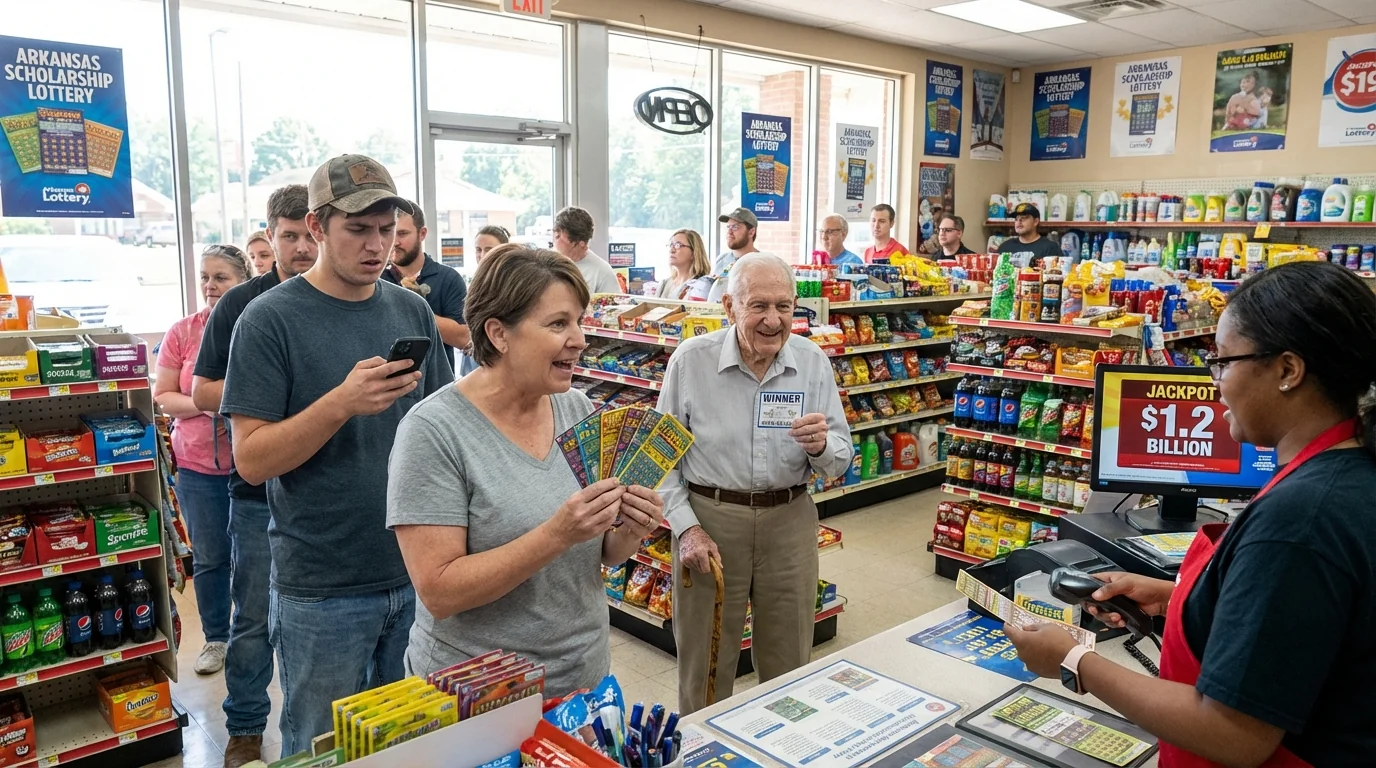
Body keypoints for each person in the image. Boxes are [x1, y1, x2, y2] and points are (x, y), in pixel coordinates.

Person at [1007, 260, 1376, 766]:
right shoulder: (1348, 470)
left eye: (1224, 361)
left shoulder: (1300, 518)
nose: (1215, 381)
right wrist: (1179, 598)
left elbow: (1234, 734)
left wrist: (1072, 659)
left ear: (1289, 370)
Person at [220, 155, 453, 755]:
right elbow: (252, 460)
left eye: (387, 229)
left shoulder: (412, 310)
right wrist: (340, 403)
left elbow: (443, 427)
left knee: (406, 747)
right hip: (322, 587)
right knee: (321, 748)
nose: (378, 246)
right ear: (318, 227)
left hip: (416, 571)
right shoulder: (268, 320)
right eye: (359, 230)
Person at [387, 245, 665, 695]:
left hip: (582, 681)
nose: (579, 339)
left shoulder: (578, 409)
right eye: (558, 323)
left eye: (578, 320)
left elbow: (602, 555)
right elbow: (439, 591)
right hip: (477, 695)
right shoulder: (433, 431)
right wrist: (557, 533)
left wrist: (630, 528)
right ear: (499, 333)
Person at [658, 253, 853, 714]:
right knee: (705, 665)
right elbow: (660, 460)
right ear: (729, 306)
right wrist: (686, 527)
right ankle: (702, 754)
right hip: (710, 523)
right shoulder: (691, 361)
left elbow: (839, 459)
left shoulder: (812, 362)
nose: (773, 320)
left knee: (790, 662)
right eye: (758, 306)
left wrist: (821, 447)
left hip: (788, 523)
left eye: (784, 307)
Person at [191, 184, 319, 768]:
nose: (298, 247)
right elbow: (200, 390)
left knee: (322, 622)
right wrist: (274, 397)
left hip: (330, 489)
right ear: (269, 237)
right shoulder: (241, 304)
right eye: (285, 236)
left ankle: (319, 733)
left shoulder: (355, 298)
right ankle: (244, 728)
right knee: (253, 617)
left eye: (305, 234)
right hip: (257, 491)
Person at [153, 244, 250, 677]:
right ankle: (217, 638)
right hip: (196, 467)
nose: (210, 286)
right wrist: (207, 403)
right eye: (205, 278)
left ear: (242, 281)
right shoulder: (182, 331)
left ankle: (256, 636)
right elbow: (164, 396)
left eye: (221, 278)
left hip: (252, 464)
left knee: (256, 556)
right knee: (211, 557)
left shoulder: (256, 324)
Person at [383, 203, 469, 371]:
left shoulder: (448, 279)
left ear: (422, 234)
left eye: (402, 233)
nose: (395, 242)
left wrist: (414, 305)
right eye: (390, 233)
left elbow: (463, 339)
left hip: (436, 386)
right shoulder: (376, 281)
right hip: (386, 386)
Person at [552, 206, 619, 295]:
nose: (555, 240)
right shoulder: (544, 265)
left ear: (581, 243)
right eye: (556, 234)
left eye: (559, 236)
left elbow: (614, 307)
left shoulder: (602, 272)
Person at [997, 203, 1061, 268]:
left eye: (1024, 218)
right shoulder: (1005, 247)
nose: (1019, 221)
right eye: (1016, 219)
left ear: (1035, 221)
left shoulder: (1051, 248)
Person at [656, 229, 713, 301]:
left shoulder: (702, 286)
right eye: (671, 245)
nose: (671, 250)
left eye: (678, 245)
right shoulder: (664, 284)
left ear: (694, 252)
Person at [713, 207, 760, 277]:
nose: (729, 232)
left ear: (751, 232)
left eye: (735, 227)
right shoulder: (721, 260)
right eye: (728, 227)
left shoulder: (762, 264)